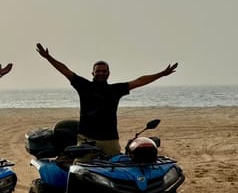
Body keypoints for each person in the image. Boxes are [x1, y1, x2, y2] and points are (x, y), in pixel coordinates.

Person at [35, 43, 178, 157]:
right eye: (98, 71)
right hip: (86, 140)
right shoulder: (84, 86)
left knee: (116, 170)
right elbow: (65, 70)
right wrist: (49, 58)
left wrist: (162, 74)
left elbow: (140, 80)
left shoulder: (116, 90)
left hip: (110, 141)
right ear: (93, 73)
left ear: (109, 73)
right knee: (78, 170)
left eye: (104, 71)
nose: (101, 73)